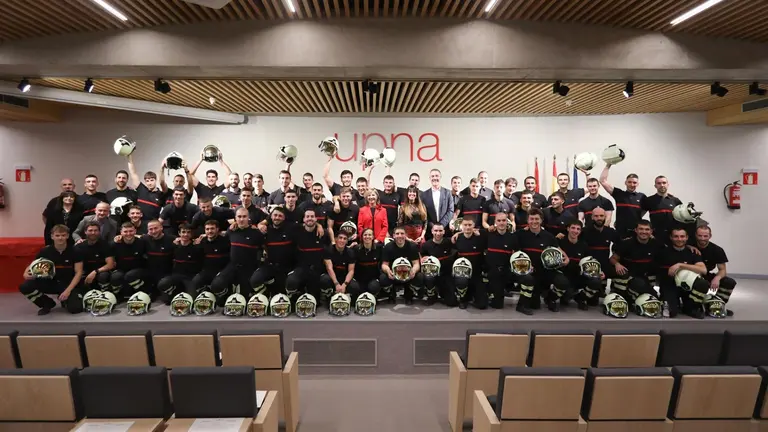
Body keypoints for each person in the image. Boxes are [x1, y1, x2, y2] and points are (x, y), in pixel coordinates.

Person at [19, 224, 84, 315]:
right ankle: (47, 303)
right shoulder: (45, 251)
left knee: (76, 309)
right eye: (57, 235)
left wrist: (68, 291)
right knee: (25, 286)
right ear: (52, 236)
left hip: (67, 283)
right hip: (50, 282)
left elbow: (79, 272)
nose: (60, 238)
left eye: (63, 235)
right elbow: (33, 264)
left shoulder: (75, 251)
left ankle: (65, 301)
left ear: (68, 236)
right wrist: (25, 273)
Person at [515, 209, 570, 314]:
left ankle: (550, 299)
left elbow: (558, 249)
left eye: (537, 219)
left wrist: (566, 258)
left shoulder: (548, 236)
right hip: (527, 270)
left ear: (541, 221)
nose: (534, 221)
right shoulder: (520, 234)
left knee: (563, 282)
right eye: (531, 219)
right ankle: (522, 305)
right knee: (534, 304)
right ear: (527, 220)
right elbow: (515, 253)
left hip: (545, 270)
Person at [210, 207, 264, 304]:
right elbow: (220, 241)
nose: (242, 219)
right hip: (232, 265)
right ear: (235, 218)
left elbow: (264, 248)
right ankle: (227, 296)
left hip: (248, 268)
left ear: (248, 218)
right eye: (239, 217)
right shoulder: (231, 231)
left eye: (244, 216)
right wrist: (206, 235)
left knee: (244, 300)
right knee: (216, 285)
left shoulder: (256, 233)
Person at [656, 228, 708, 318]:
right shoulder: (662, 253)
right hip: (669, 286)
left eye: (682, 236)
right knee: (671, 313)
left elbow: (703, 270)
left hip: (687, 286)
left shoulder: (693, 252)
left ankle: (691, 308)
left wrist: (680, 265)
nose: (679, 239)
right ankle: (670, 303)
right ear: (671, 238)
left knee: (702, 283)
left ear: (687, 237)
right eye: (676, 236)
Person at [609, 220, 661, 305]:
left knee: (655, 300)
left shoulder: (656, 244)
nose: (644, 232)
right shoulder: (626, 243)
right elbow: (612, 259)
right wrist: (617, 264)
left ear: (651, 231)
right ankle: (623, 294)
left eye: (647, 229)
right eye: (641, 229)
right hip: (629, 278)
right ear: (636, 230)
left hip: (645, 278)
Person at [250, 206, 296, 298]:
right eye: (275, 215)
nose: (277, 217)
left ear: (284, 218)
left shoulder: (291, 229)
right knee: (254, 280)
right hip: (269, 265)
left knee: (282, 295)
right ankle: (266, 296)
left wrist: (319, 226)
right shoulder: (265, 231)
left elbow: (308, 225)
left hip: (286, 267)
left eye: (280, 216)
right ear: (270, 217)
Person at [286, 209, 330, 301]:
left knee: (316, 299)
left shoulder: (323, 233)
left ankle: (326, 299)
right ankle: (293, 299)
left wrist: (319, 226)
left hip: (317, 269)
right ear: (303, 219)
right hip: (301, 268)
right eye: (307, 216)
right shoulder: (296, 231)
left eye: (312, 216)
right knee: (291, 281)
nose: (310, 218)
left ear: (316, 219)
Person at [559, 221, 602, 310]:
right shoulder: (560, 243)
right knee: (566, 297)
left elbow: (591, 261)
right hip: (565, 277)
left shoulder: (584, 245)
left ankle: (581, 298)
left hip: (580, 276)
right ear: (568, 229)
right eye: (573, 228)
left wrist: (599, 272)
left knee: (596, 281)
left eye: (578, 229)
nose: (575, 231)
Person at [693, 225, 736, 314]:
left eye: (705, 236)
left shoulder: (717, 250)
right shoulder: (689, 246)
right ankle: (694, 306)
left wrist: (717, 278)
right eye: (700, 236)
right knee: (701, 283)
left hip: (706, 274)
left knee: (729, 282)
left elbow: (722, 269)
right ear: (695, 235)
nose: (702, 238)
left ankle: (716, 303)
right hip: (691, 275)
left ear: (710, 236)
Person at [156, 224, 204, 304]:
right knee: (163, 286)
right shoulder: (173, 246)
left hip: (190, 278)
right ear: (179, 233)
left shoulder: (197, 247)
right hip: (176, 276)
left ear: (191, 234)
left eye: (188, 232)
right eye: (183, 232)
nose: (185, 234)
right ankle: (176, 292)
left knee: (191, 301)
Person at [380, 226, 424, 305]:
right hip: (394, 274)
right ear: (393, 236)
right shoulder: (388, 247)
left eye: (402, 233)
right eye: (397, 234)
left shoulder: (412, 246)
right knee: (383, 277)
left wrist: (413, 271)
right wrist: (388, 271)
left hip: (408, 274)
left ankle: (409, 294)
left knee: (420, 276)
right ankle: (391, 294)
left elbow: (416, 264)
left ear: (405, 235)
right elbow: (384, 265)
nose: (400, 236)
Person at [599, 166, 646, 239]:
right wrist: (608, 164)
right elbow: (602, 181)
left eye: (634, 182)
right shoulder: (619, 194)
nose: (632, 184)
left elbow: (645, 210)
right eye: (629, 182)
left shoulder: (642, 197)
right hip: (620, 233)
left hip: (636, 235)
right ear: (625, 183)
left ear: (637, 184)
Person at [485, 212, 518, 309]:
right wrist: (457, 233)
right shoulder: (488, 235)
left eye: (503, 220)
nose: (501, 223)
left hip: (506, 271)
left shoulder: (513, 237)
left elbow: (517, 254)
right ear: (495, 222)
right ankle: (492, 292)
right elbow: (470, 231)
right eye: (499, 221)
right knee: (497, 305)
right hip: (491, 271)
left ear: (507, 222)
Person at [191, 220, 231, 302]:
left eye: (212, 228)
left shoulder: (225, 241)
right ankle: (207, 293)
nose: (210, 231)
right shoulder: (202, 241)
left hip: (221, 272)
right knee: (195, 282)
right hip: (207, 271)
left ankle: (223, 295)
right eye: (207, 229)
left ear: (217, 229)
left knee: (220, 300)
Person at [109, 222, 149, 301]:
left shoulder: (142, 242)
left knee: (130, 275)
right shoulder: (115, 244)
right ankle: (118, 296)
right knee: (115, 277)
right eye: (125, 232)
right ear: (121, 232)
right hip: (122, 269)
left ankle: (144, 293)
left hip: (139, 269)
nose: (128, 234)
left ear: (135, 231)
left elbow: (149, 237)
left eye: (131, 231)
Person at [452, 218, 486, 309]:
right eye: (465, 225)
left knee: (482, 304)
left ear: (474, 226)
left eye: (470, 225)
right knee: (461, 281)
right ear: (461, 226)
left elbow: (491, 231)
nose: (467, 227)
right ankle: (463, 299)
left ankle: (474, 295)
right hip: (462, 274)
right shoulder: (456, 239)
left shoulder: (480, 238)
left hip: (476, 274)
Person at [420, 224, 456, 306]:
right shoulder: (426, 245)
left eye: (440, 231)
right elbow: (421, 256)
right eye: (436, 231)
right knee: (428, 278)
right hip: (432, 274)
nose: (438, 233)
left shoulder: (449, 242)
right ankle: (431, 295)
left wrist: (457, 233)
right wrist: (422, 259)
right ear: (432, 231)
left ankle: (442, 291)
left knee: (451, 302)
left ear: (444, 232)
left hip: (446, 275)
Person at [75, 221, 115, 292]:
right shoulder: (79, 247)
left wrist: (95, 272)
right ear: (85, 232)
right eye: (90, 230)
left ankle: (105, 294)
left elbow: (110, 264)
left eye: (95, 230)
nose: (93, 233)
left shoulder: (105, 245)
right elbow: (77, 265)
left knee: (103, 276)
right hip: (85, 272)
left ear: (99, 232)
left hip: (100, 272)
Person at [642, 175, 682, 245]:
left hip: (673, 238)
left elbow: (683, 218)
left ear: (668, 184)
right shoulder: (649, 200)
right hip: (655, 238)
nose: (662, 185)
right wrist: (648, 232)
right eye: (659, 183)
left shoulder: (675, 201)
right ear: (655, 186)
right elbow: (639, 216)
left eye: (664, 183)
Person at [321, 231, 361, 303]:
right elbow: (329, 268)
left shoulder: (351, 252)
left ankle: (346, 296)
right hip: (332, 277)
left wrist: (344, 285)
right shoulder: (328, 250)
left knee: (355, 287)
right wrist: (336, 284)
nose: (342, 240)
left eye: (345, 239)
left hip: (344, 278)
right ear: (336, 239)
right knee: (324, 279)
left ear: (347, 241)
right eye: (340, 238)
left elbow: (351, 271)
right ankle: (328, 296)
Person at [127, 155, 166, 221]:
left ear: (155, 180)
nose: (149, 183)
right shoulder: (141, 189)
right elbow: (133, 173)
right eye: (147, 181)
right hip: (139, 223)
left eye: (151, 180)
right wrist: (129, 157)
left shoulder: (161, 195)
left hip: (153, 226)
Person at [422, 168, 454, 239]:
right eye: (432, 176)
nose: (434, 178)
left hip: (445, 229)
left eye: (437, 176)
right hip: (430, 231)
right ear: (429, 178)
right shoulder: (424, 195)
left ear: (440, 177)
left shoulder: (448, 193)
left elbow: (451, 210)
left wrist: (441, 225)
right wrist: (433, 226)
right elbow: (423, 213)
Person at [354, 228, 383, 299]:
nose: (367, 237)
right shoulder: (356, 249)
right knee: (356, 290)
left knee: (374, 287)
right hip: (360, 279)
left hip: (373, 279)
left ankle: (377, 293)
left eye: (370, 235)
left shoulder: (379, 248)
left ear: (373, 237)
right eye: (365, 235)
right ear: (362, 237)